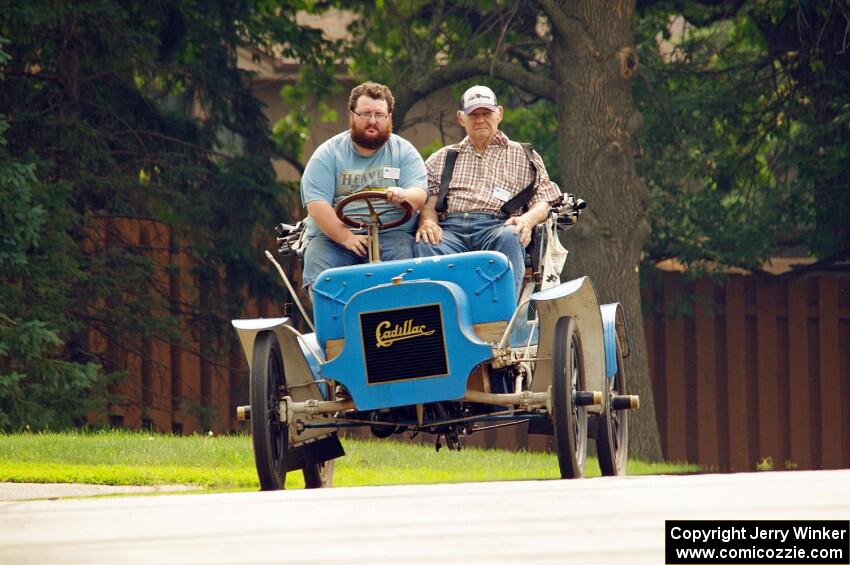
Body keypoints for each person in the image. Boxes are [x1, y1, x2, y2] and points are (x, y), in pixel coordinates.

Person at [414, 85, 562, 294]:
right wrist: (428, 220)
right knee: (426, 241)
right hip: (450, 230)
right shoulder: (443, 157)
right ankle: (441, 316)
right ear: (460, 118)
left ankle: (503, 315)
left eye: (486, 113)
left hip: (497, 228)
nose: (480, 119)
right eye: (473, 114)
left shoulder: (524, 155)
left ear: (499, 113)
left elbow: (544, 200)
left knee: (513, 235)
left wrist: (527, 220)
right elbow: (429, 200)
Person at [300, 81, 428, 288]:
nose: (372, 121)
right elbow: (316, 205)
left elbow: (420, 193)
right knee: (322, 276)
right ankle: (332, 318)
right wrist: (346, 238)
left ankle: (401, 318)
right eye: (365, 114)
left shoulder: (405, 152)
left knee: (406, 274)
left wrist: (404, 194)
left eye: (379, 115)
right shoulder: (327, 154)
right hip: (334, 238)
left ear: (389, 118)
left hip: (392, 235)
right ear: (351, 116)